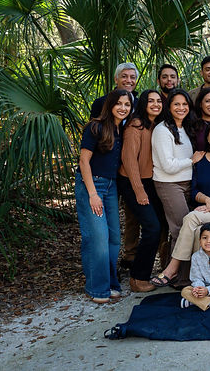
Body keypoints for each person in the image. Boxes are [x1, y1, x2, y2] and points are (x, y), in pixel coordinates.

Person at [151, 120, 210, 286]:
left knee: (191, 217)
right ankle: (198, 280)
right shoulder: (202, 160)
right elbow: (194, 191)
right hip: (206, 211)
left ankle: (172, 268)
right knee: (196, 230)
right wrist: (208, 201)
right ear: (207, 138)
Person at [75, 89, 132, 303]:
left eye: (127, 105)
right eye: (119, 103)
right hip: (91, 185)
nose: (123, 108)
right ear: (110, 105)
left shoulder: (122, 130)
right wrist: (92, 194)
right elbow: (83, 161)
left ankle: (110, 283)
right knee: (97, 237)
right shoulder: (95, 127)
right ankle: (96, 288)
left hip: (111, 185)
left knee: (114, 237)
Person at [151, 89, 205, 285]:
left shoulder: (185, 128)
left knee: (188, 228)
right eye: (176, 104)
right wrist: (191, 160)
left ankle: (184, 275)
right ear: (169, 106)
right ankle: (177, 277)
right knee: (181, 228)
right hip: (169, 183)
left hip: (187, 183)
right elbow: (167, 165)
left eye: (184, 104)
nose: (181, 108)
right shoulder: (162, 130)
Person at [90, 62, 140, 272]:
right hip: (104, 172)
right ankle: (107, 266)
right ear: (116, 79)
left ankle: (129, 257)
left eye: (132, 77)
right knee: (105, 224)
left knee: (131, 214)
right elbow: (94, 138)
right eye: (124, 76)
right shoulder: (101, 103)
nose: (128, 80)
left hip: (129, 169)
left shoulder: (139, 103)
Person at [118, 90, 169, 293]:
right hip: (132, 181)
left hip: (150, 181)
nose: (156, 104)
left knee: (160, 225)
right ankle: (137, 278)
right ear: (143, 104)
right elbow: (129, 161)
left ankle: (155, 271)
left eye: (159, 101)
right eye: (151, 101)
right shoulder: (135, 126)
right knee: (152, 227)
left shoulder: (157, 125)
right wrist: (139, 191)